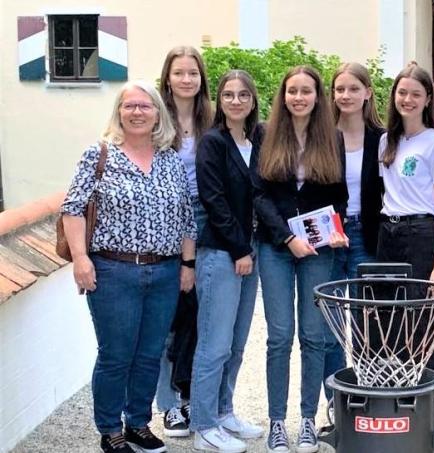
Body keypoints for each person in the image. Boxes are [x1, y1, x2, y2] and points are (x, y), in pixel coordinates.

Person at [61, 80, 196, 453]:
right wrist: (81, 259)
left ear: (158, 114)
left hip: (165, 272)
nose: (137, 112)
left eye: (145, 106)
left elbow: (186, 218)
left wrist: (188, 265)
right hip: (113, 271)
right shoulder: (99, 154)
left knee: (150, 353)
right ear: (119, 113)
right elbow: (72, 209)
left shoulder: (170, 160)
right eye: (129, 106)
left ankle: (138, 423)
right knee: (116, 354)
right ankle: (110, 429)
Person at [254, 65, 349, 453]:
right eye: (292, 91)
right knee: (279, 337)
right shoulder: (265, 133)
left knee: (314, 337)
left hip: (319, 250)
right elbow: (258, 194)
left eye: (306, 91)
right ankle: (278, 423)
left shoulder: (333, 137)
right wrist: (287, 237)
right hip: (276, 248)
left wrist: (336, 229)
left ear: (317, 96)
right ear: (283, 95)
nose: (298, 97)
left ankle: (308, 420)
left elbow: (338, 194)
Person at [190, 69, 265, 453]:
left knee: (236, 343)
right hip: (221, 252)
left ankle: (224, 411)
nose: (236, 101)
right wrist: (239, 249)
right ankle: (203, 424)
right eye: (228, 95)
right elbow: (213, 200)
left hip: (250, 252)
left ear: (253, 100)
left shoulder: (259, 138)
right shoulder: (212, 143)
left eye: (243, 95)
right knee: (214, 343)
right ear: (219, 101)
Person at [377, 64, 434, 423]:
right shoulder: (386, 140)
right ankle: (398, 410)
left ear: (427, 100)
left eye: (416, 94)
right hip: (387, 234)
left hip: (421, 234)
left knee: (424, 328)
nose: (407, 99)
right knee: (388, 325)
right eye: (402, 92)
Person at [155, 44, 213, 439]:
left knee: (198, 315)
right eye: (180, 72)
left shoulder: (213, 119)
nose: (187, 79)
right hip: (165, 222)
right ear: (168, 77)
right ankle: (168, 405)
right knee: (166, 318)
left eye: (193, 72)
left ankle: (192, 393)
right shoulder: (156, 120)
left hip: (208, 221)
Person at [325, 62, 385, 399]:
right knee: (330, 326)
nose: (346, 95)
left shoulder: (383, 137)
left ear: (367, 93)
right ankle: (337, 403)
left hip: (367, 235)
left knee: (367, 324)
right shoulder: (322, 136)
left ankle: (365, 398)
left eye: (353, 89)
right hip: (329, 237)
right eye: (340, 89)